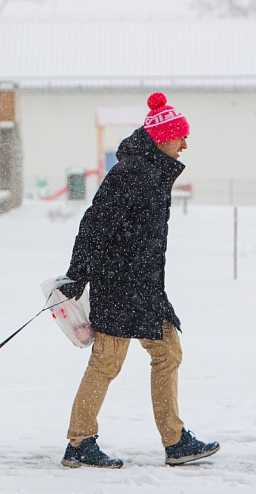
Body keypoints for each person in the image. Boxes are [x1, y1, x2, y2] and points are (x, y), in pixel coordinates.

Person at [57, 92, 219, 468]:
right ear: (162, 137)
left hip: (144, 286)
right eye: (180, 136)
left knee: (168, 353)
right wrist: (78, 274)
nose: (185, 144)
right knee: (107, 362)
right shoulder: (132, 172)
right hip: (119, 285)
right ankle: (79, 442)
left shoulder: (152, 172)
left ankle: (175, 441)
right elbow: (95, 225)